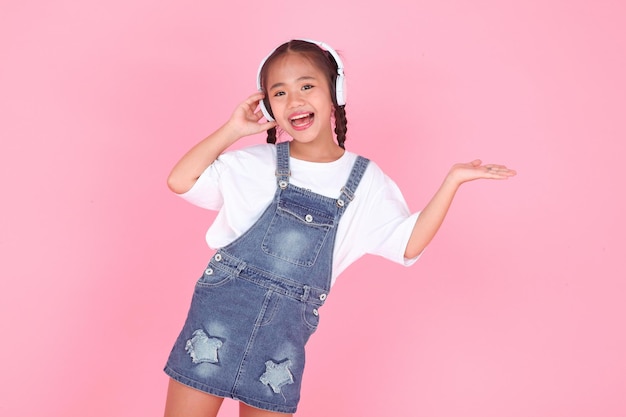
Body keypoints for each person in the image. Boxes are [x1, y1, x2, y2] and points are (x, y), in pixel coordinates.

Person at [163, 39, 516, 417]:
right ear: (268, 106)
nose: (294, 100)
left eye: (307, 85)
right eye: (279, 93)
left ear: (335, 93)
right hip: (218, 318)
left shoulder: (366, 183)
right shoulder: (253, 164)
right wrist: (233, 129)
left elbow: (407, 245)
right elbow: (180, 180)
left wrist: (452, 181)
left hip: (279, 345)